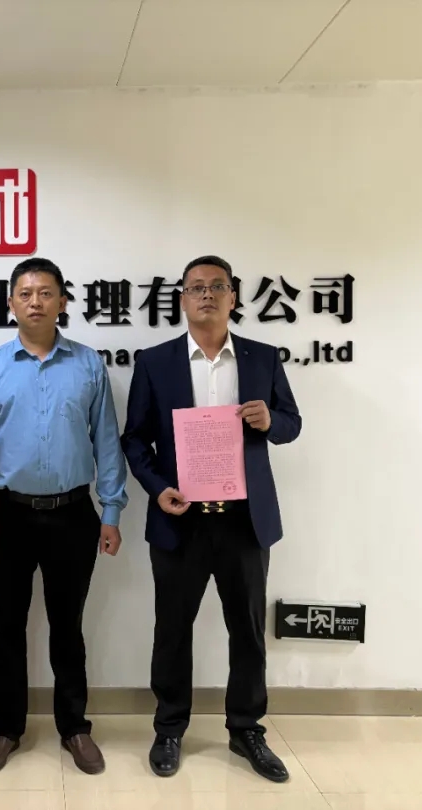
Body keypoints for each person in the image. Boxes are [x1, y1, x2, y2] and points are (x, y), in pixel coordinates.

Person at [120, 255, 301, 782]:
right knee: (173, 629)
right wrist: (158, 488)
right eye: (196, 287)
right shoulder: (156, 362)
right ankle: (170, 727)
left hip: (245, 521)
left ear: (233, 297)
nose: (206, 294)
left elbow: (291, 423)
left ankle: (246, 728)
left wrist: (270, 421)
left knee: (247, 630)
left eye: (217, 286)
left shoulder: (262, 358)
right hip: (181, 519)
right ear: (181, 298)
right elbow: (135, 439)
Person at [0, 257, 128, 777]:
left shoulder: (88, 365)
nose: (35, 301)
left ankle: (74, 726)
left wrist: (111, 509)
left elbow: (106, 440)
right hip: (4, 516)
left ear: (62, 301)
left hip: (72, 514)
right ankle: (6, 728)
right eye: (25, 293)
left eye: (45, 292)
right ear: (11, 302)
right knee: (8, 626)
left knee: (67, 626)